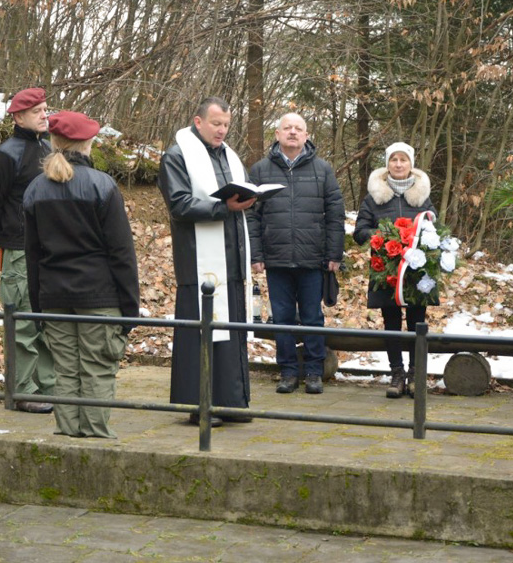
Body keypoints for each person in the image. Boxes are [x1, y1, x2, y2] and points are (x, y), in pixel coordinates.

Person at [23, 111, 139, 439]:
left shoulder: (35, 189)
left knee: (65, 372)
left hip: (54, 297)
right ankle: (95, 441)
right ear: (88, 143)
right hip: (99, 296)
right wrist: (129, 309)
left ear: (54, 142)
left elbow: (33, 255)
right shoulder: (103, 186)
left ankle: (68, 441)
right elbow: (121, 254)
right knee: (97, 371)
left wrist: (38, 306)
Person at [158, 97, 255, 427]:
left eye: (226, 124)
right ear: (198, 122)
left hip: (231, 258)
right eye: (216, 123)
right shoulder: (176, 155)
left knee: (231, 333)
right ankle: (200, 404)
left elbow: (234, 197)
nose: (222, 130)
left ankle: (230, 400)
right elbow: (180, 205)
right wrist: (225, 208)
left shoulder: (229, 155)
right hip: (198, 259)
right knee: (202, 334)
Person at [248, 113, 345, 394]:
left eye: (298, 129)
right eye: (287, 128)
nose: (292, 132)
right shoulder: (260, 170)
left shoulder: (323, 170)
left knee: (313, 316)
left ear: (306, 135)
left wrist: (334, 254)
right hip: (276, 258)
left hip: (313, 258)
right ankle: (288, 371)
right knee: (282, 317)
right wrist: (256, 254)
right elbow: (252, 217)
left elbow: (335, 215)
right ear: (277, 134)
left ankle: (314, 370)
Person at [0, 87, 55, 413]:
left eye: (45, 109)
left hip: (49, 251)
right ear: (18, 116)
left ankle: (47, 387)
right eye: (37, 110)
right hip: (19, 252)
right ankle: (24, 391)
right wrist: (8, 239)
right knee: (23, 323)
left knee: (47, 321)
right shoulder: (7, 155)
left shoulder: (50, 149)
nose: (44, 114)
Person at [353, 143, 436, 399]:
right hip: (386, 268)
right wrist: (384, 235)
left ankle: (414, 374)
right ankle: (396, 374)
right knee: (391, 322)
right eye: (394, 160)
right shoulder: (373, 197)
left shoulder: (422, 195)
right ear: (387, 164)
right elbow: (359, 232)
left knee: (417, 322)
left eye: (403, 160)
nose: (398, 164)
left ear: (411, 164)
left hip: (416, 270)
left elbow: (434, 225)